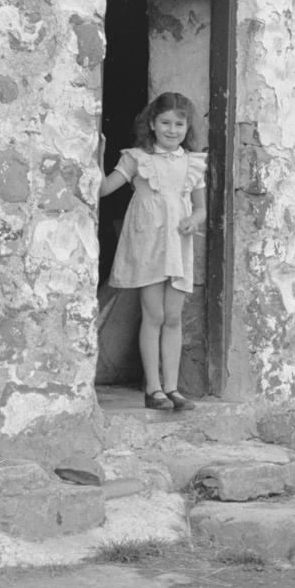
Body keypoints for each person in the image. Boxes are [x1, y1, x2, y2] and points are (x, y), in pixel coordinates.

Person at [99, 92, 207, 411]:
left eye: (179, 124)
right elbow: (104, 189)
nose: (172, 130)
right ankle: (153, 388)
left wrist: (192, 220)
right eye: (165, 123)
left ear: (187, 128)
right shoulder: (137, 158)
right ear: (152, 124)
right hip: (148, 243)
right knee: (154, 314)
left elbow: (201, 209)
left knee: (173, 316)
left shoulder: (192, 162)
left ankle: (172, 388)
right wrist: (96, 155)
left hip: (177, 243)